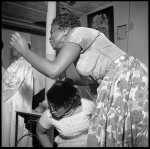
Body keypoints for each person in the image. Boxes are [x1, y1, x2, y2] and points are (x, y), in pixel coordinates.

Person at [10, 13, 148, 147]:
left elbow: (53, 70)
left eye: (52, 32)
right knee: (113, 135)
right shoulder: (80, 54)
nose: (49, 38)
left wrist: (25, 51)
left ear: (65, 30)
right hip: (116, 81)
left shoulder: (77, 32)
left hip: (126, 75)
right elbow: (89, 82)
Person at [36, 78, 94, 147]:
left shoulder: (87, 105)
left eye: (56, 107)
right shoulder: (49, 115)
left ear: (68, 103)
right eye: (50, 105)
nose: (52, 110)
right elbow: (40, 133)